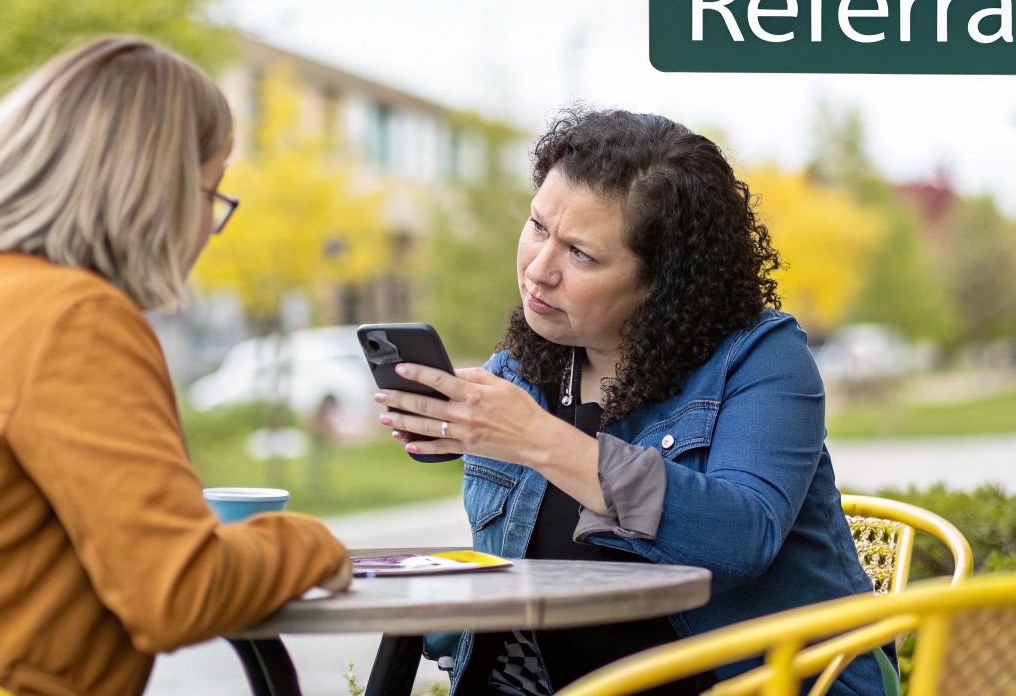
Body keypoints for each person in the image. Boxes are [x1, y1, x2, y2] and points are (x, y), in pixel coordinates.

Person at [0, 37, 351, 696]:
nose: (206, 229)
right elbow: (179, 591)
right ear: (153, 192)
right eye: (210, 194)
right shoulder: (76, 320)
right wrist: (310, 543)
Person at [377, 109, 888, 696]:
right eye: (539, 228)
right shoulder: (526, 366)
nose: (538, 271)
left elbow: (742, 537)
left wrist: (539, 439)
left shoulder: (761, 359)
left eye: (581, 255)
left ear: (663, 281)